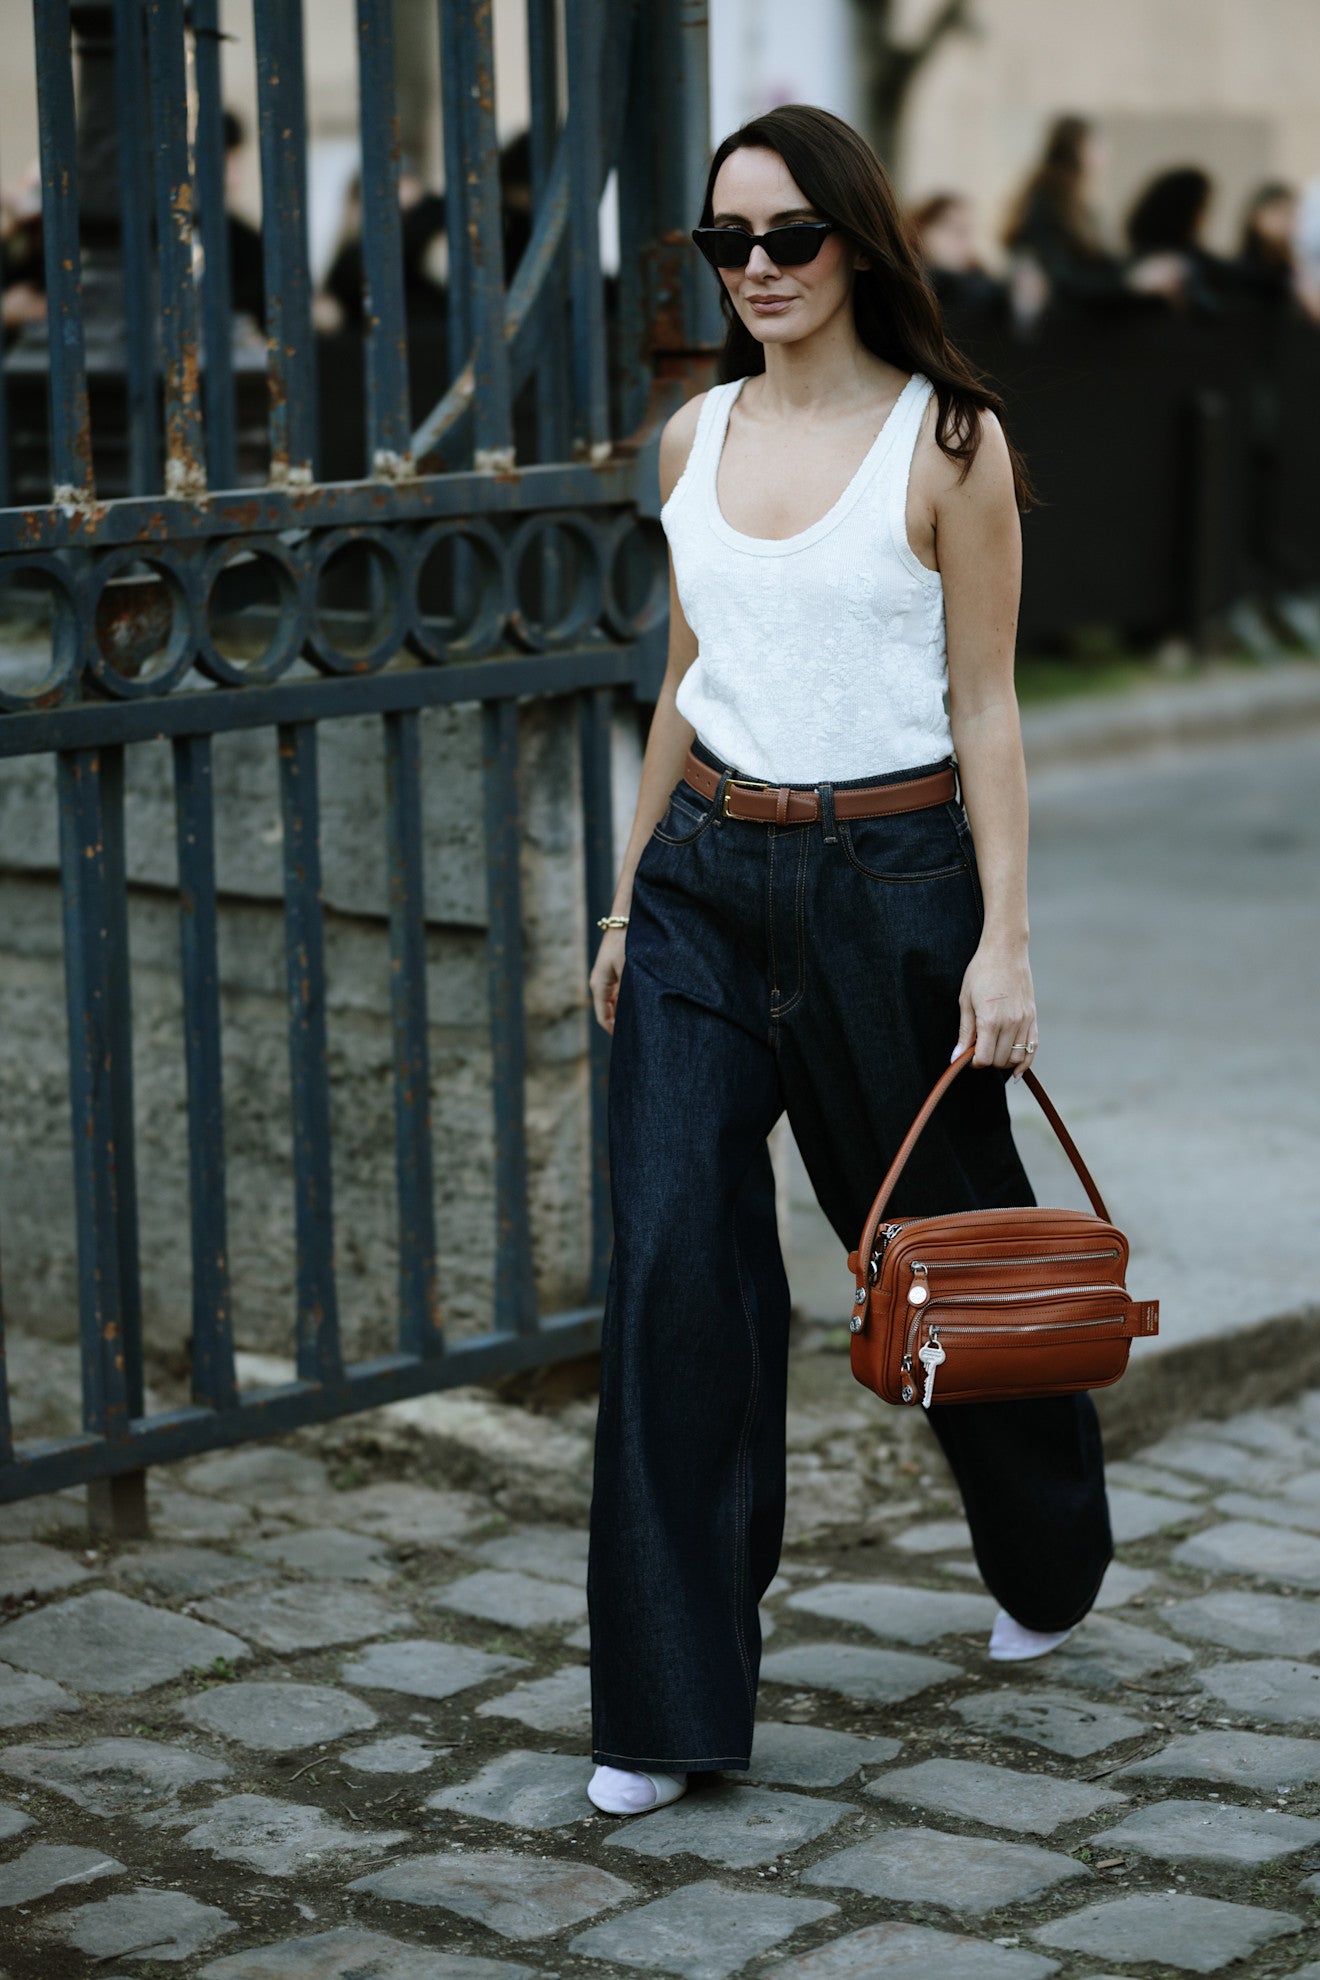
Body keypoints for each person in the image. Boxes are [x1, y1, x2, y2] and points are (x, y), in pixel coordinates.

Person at [584, 103, 1112, 1819]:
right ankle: (669, 1705)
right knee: (673, 1268)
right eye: (726, 242)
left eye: (789, 238)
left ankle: (1046, 1556)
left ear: (857, 242)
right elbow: (683, 676)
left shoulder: (949, 441)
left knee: (943, 1241)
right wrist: (623, 899)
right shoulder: (690, 440)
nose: (755, 270)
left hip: (891, 884)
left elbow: (987, 707)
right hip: (700, 888)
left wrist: (1006, 942)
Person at [1002, 114, 1183, 312]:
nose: (1106, 153)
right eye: (1098, 145)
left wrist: (1144, 271)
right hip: (1065, 320)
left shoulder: (1075, 202)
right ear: (1080, 148)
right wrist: (1131, 283)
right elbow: (1063, 280)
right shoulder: (1048, 201)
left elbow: (1102, 264)